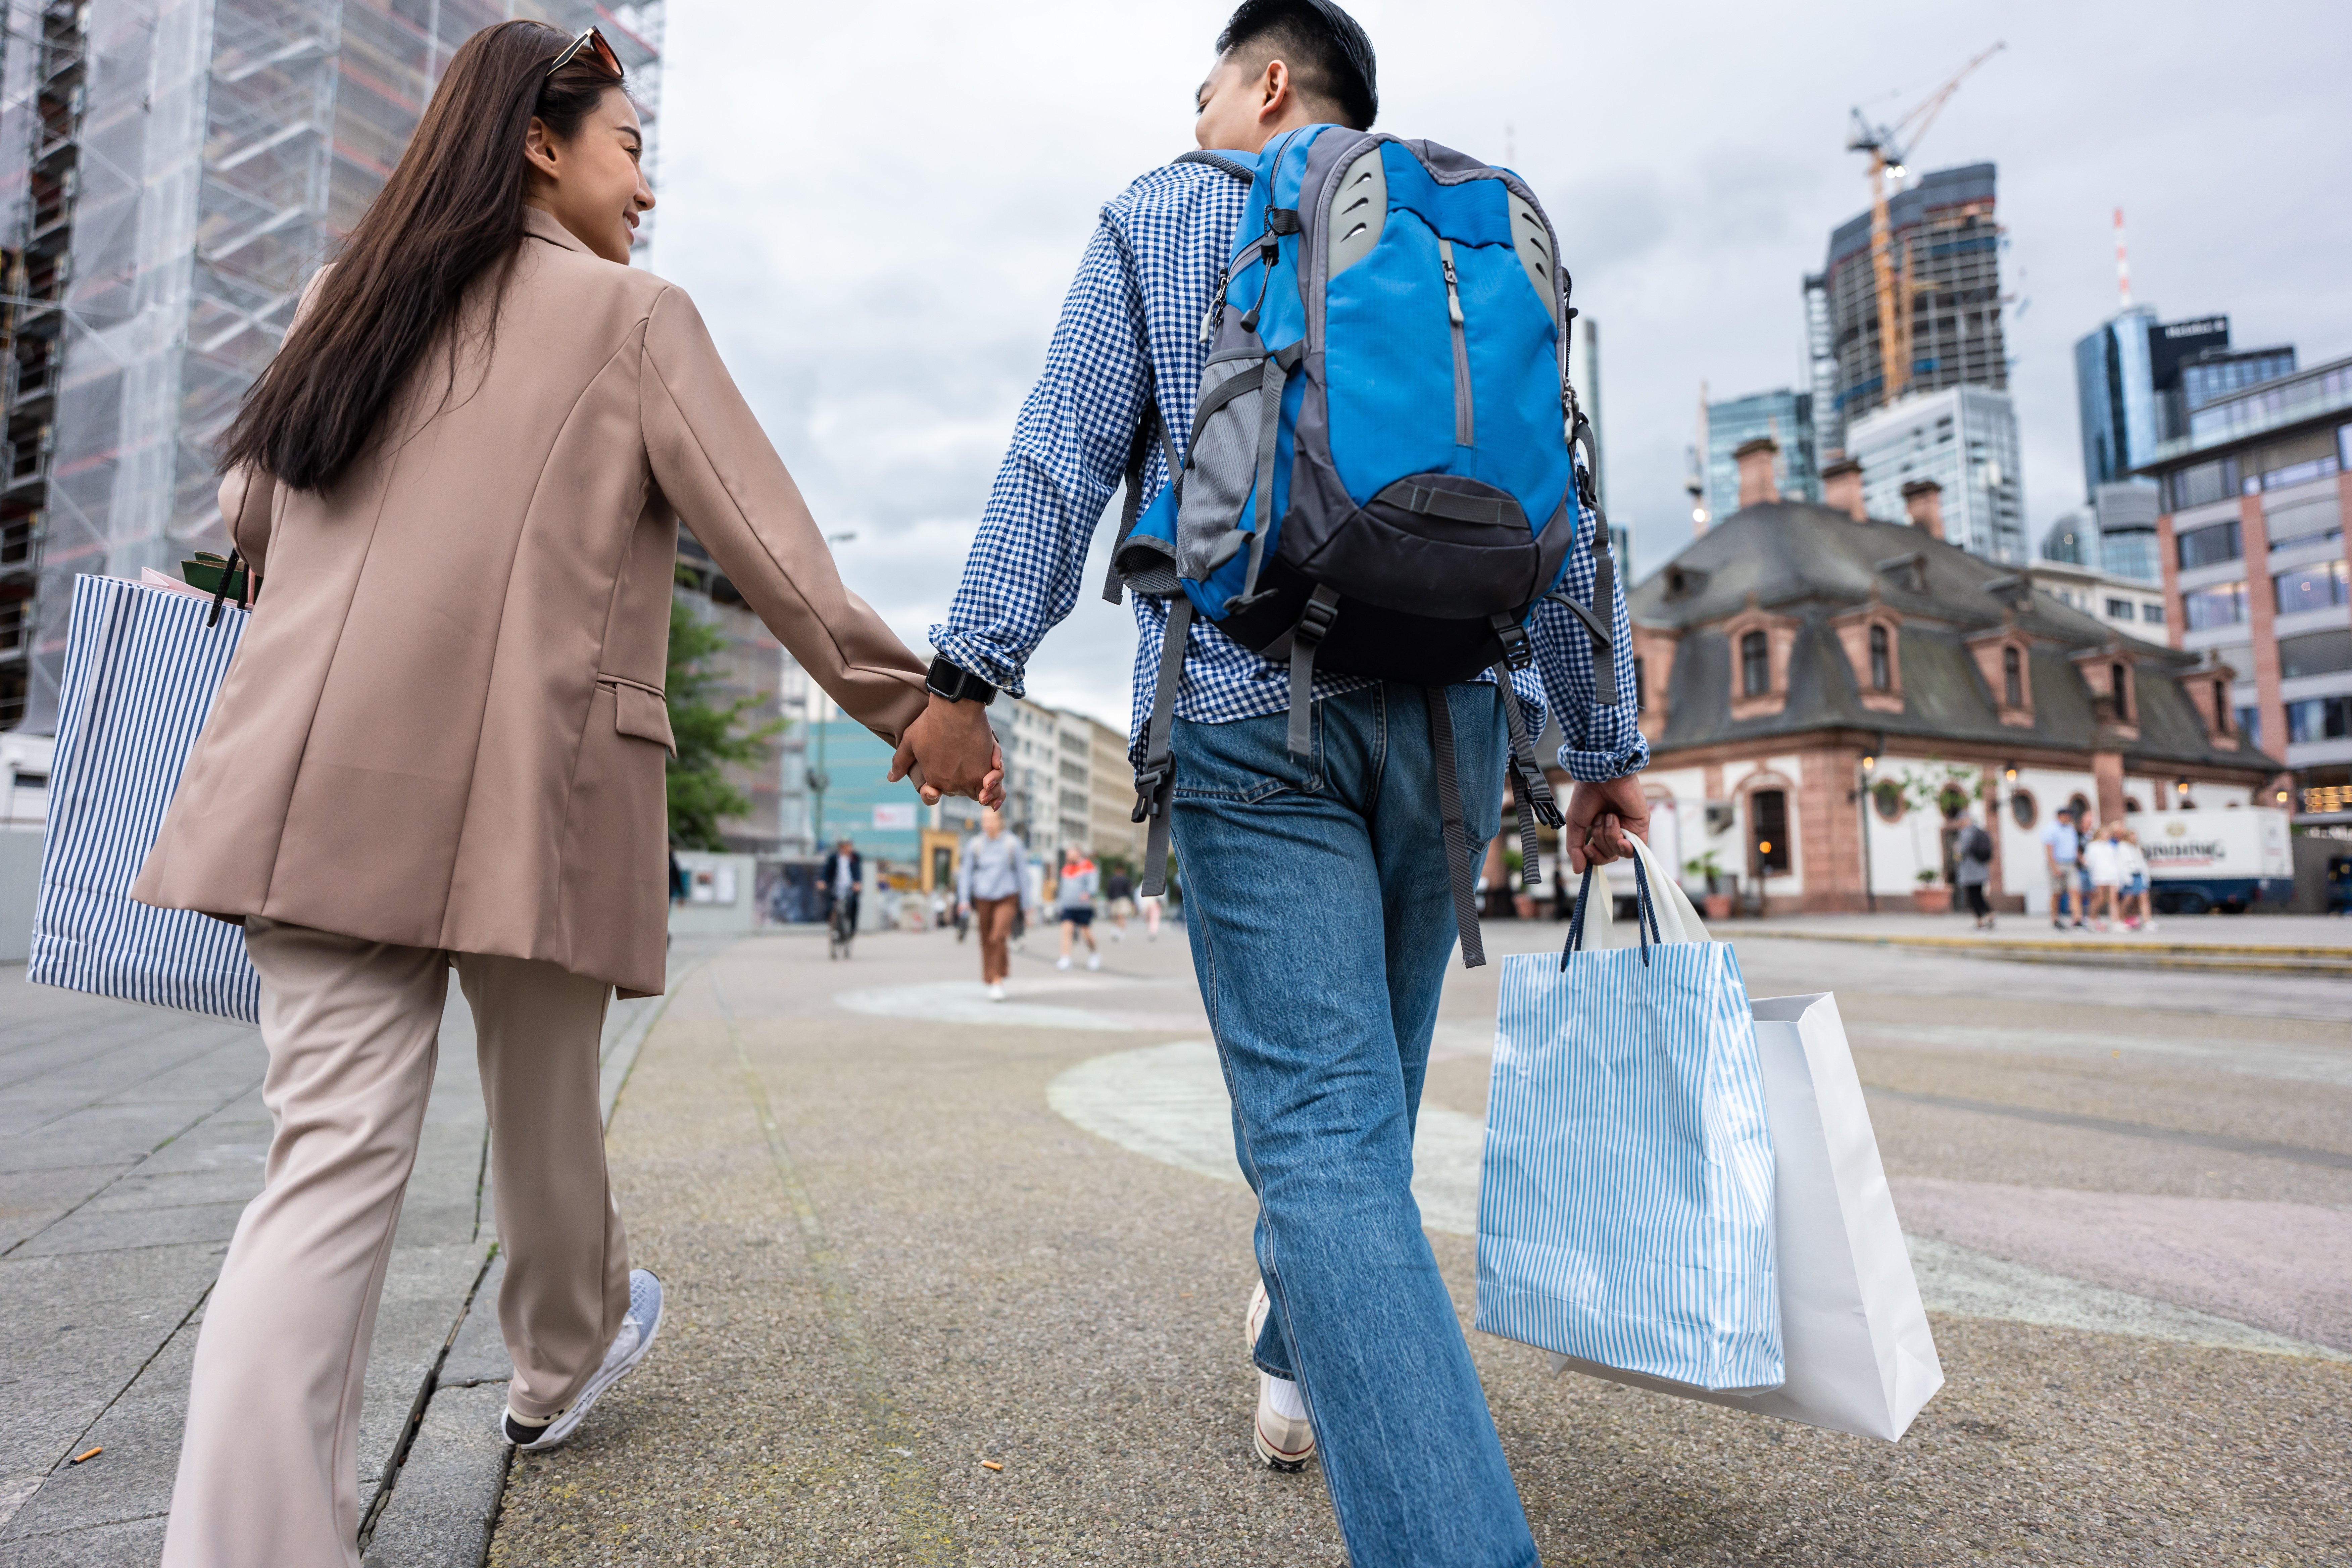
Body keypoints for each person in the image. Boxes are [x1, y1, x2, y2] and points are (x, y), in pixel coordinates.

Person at [129, 25, 998, 1567]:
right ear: (544, 144)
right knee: (545, 1114)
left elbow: (251, 504)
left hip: (308, 780)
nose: (646, 188)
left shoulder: (351, 299)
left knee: (320, 1172)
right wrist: (910, 705)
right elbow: (772, 544)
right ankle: (558, 1356)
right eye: (627, 148)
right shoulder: (632, 318)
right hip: (524, 787)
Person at [912, 3, 1645, 1557]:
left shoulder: (1165, 212)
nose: (1189, 119)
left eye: (1200, 90)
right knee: (1358, 1118)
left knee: (1318, 1141)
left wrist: (970, 673)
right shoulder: (1466, 241)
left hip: (1252, 709)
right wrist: (1601, 749)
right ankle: (1294, 1358)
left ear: (1262, 79)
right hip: (1455, 728)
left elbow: (1060, 455)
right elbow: (1567, 501)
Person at [958, 806, 1031, 1000]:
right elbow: (966, 874)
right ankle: (992, 976)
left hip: (1007, 896)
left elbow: (1023, 875)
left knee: (998, 935)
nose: (987, 824)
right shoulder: (975, 844)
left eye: (991, 819)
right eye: (984, 820)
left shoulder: (1012, 844)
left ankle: (997, 979)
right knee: (986, 940)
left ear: (1000, 821)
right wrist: (964, 900)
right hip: (983, 897)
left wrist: (1027, 905)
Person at [1055, 846, 1101, 971]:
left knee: (1086, 933)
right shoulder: (1066, 869)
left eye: (1071, 854)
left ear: (1079, 853)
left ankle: (1094, 954)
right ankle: (1066, 958)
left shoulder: (1088, 867)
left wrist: (1089, 894)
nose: (1069, 857)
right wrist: (1059, 904)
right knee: (1067, 931)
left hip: (1083, 906)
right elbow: (1062, 889)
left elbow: (1093, 886)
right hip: (1068, 906)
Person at [2041, 804, 2082, 929]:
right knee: (2057, 892)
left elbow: (2074, 847)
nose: (2069, 818)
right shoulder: (2051, 829)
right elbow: (2049, 849)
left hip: (2070, 863)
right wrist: (2054, 867)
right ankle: (2055, 918)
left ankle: (2077, 919)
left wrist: (2079, 859)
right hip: (2057, 863)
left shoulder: (2071, 829)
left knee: (2075, 890)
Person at [1954, 806, 1996, 930]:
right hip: (1981, 870)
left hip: (1970, 872)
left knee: (1973, 897)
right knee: (1978, 895)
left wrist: (1957, 850)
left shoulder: (1966, 832)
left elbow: (1962, 851)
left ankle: (1982, 919)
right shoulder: (1978, 831)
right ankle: (1987, 916)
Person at [2083, 820, 2124, 932]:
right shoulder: (2093, 846)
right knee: (2100, 898)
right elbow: (2089, 862)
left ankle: (2116, 921)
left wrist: (2119, 876)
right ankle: (2092, 918)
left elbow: (2117, 862)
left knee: (2113, 899)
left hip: (2112, 875)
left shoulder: (2111, 847)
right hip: (2100, 876)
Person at [821, 836, 864, 937]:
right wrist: (823, 881)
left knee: (854, 905)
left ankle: (852, 929)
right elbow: (826, 871)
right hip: (836, 888)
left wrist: (857, 883)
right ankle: (833, 928)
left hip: (850, 888)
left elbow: (858, 872)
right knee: (829, 907)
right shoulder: (833, 858)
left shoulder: (855, 858)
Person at [2118, 824, 2155, 931]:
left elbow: (2142, 863)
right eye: (2132, 836)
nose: (2135, 838)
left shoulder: (2137, 847)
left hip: (2139, 875)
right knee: (2128, 899)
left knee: (2144, 898)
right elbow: (2122, 865)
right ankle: (2121, 919)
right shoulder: (2122, 847)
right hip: (2130, 876)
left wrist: (2146, 877)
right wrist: (2126, 878)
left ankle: (2147, 921)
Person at [1104, 864, 1135, 940]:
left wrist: (1110, 899)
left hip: (1114, 899)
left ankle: (1115, 931)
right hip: (1124, 899)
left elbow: (1109, 890)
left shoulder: (1112, 879)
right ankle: (1122, 932)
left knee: (1114, 916)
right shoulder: (1126, 879)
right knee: (1122, 916)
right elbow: (1129, 891)